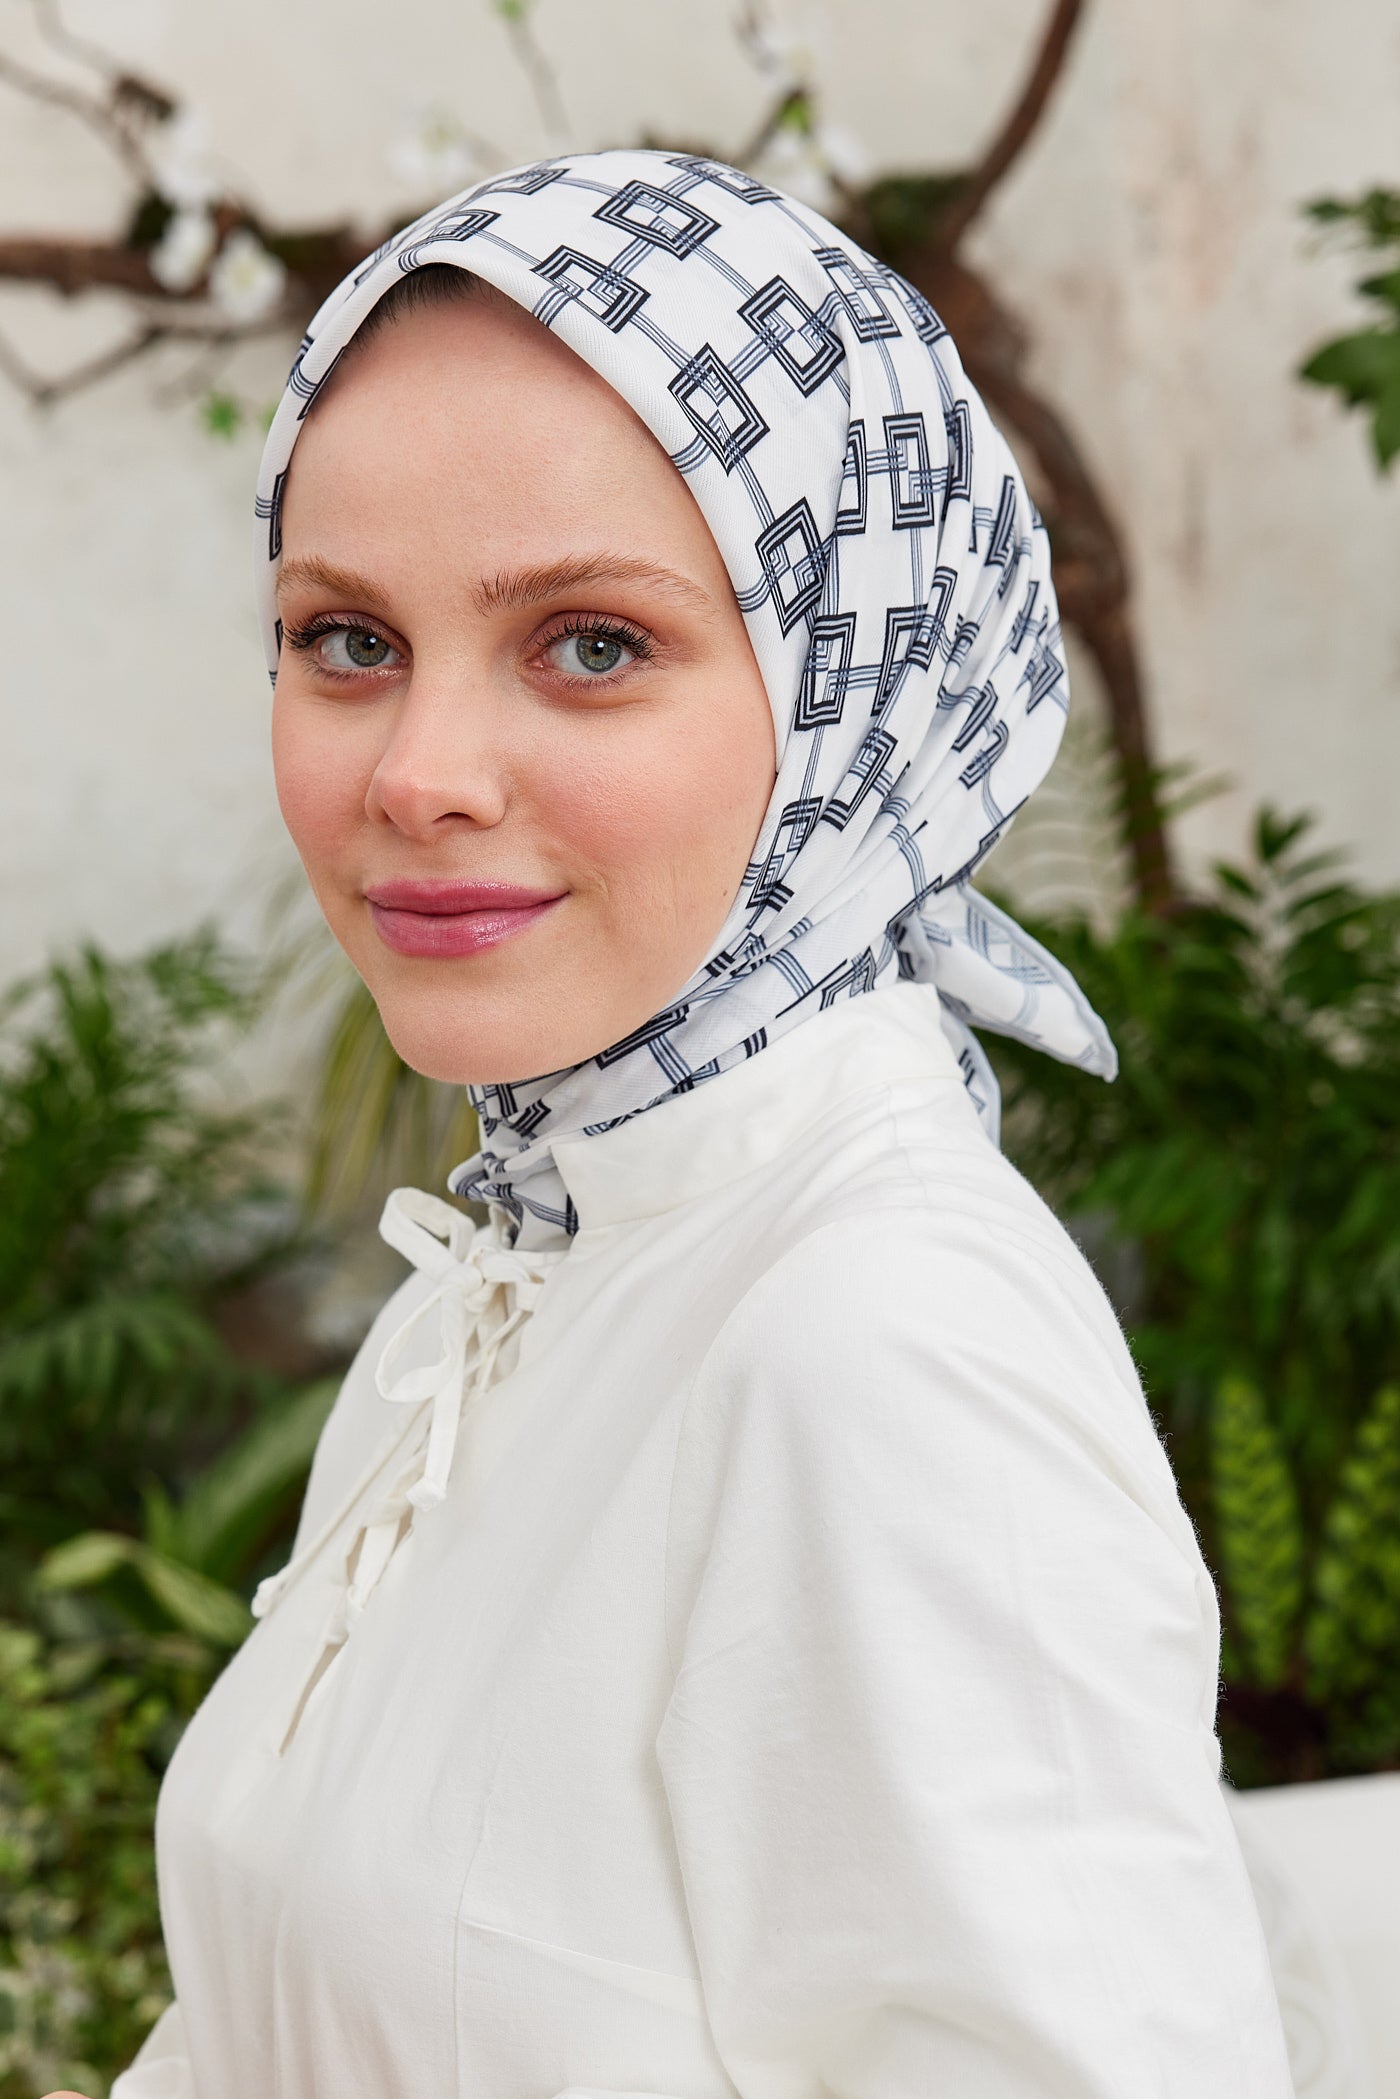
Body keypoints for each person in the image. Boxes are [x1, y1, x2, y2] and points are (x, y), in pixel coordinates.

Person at [86, 149, 1291, 2099]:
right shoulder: (505, 1283)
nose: (419, 774)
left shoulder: (879, 1343)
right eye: (348, 640)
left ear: (847, 702)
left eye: (592, 643)